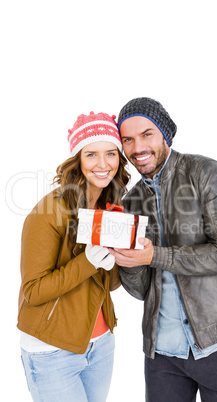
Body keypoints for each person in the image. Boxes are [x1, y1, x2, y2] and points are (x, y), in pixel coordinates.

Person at [109, 97, 217, 402]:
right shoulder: (132, 201)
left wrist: (155, 255)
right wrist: (128, 260)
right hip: (162, 353)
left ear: (164, 134)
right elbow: (141, 290)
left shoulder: (206, 173)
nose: (137, 147)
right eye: (128, 139)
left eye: (146, 134)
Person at [17, 111, 130, 402]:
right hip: (52, 351)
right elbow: (33, 291)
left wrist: (123, 253)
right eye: (91, 154)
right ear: (77, 160)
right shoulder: (49, 211)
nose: (103, 164)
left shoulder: (110, 206)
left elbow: (109, 283)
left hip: (101, 345)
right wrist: (87, 262)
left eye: (111, 154)